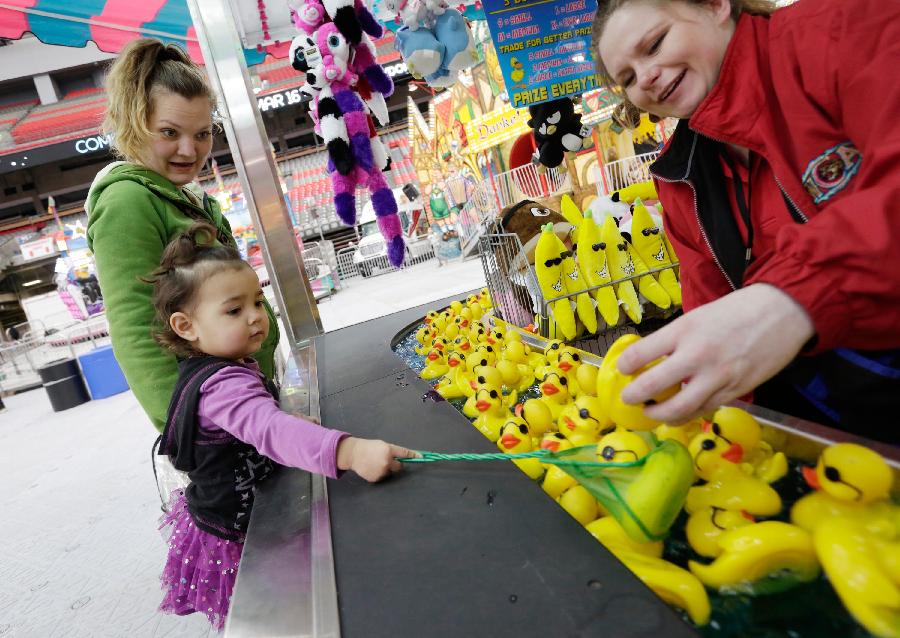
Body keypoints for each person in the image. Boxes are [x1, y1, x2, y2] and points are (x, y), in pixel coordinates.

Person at [592, 0, 900, 444]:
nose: (647, 77)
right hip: (834, 436)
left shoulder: (839, 32)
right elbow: (711, 312)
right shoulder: (680, 179)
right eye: (627, 79)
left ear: (716, 6)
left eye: (655, 44)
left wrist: (793, 297)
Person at [148, 224, 417, 630]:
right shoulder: (222, 383)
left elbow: (249, 422)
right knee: (282, 617)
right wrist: (351, 451)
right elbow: (268, 431)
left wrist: (284, 417)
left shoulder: (212, 367)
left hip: (232, 506)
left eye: (258, 301)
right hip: (237, 529)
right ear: (186, 326)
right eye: (234, 310)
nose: (256, 317)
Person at [85, 39, 280, 435]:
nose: (189, 151)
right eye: (170, 132)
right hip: (223, 422)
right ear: (132, 124)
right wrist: (190, 431)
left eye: (203, 134)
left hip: (246, 405)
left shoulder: (182, 195)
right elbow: (136, 329)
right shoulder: (128, 201)